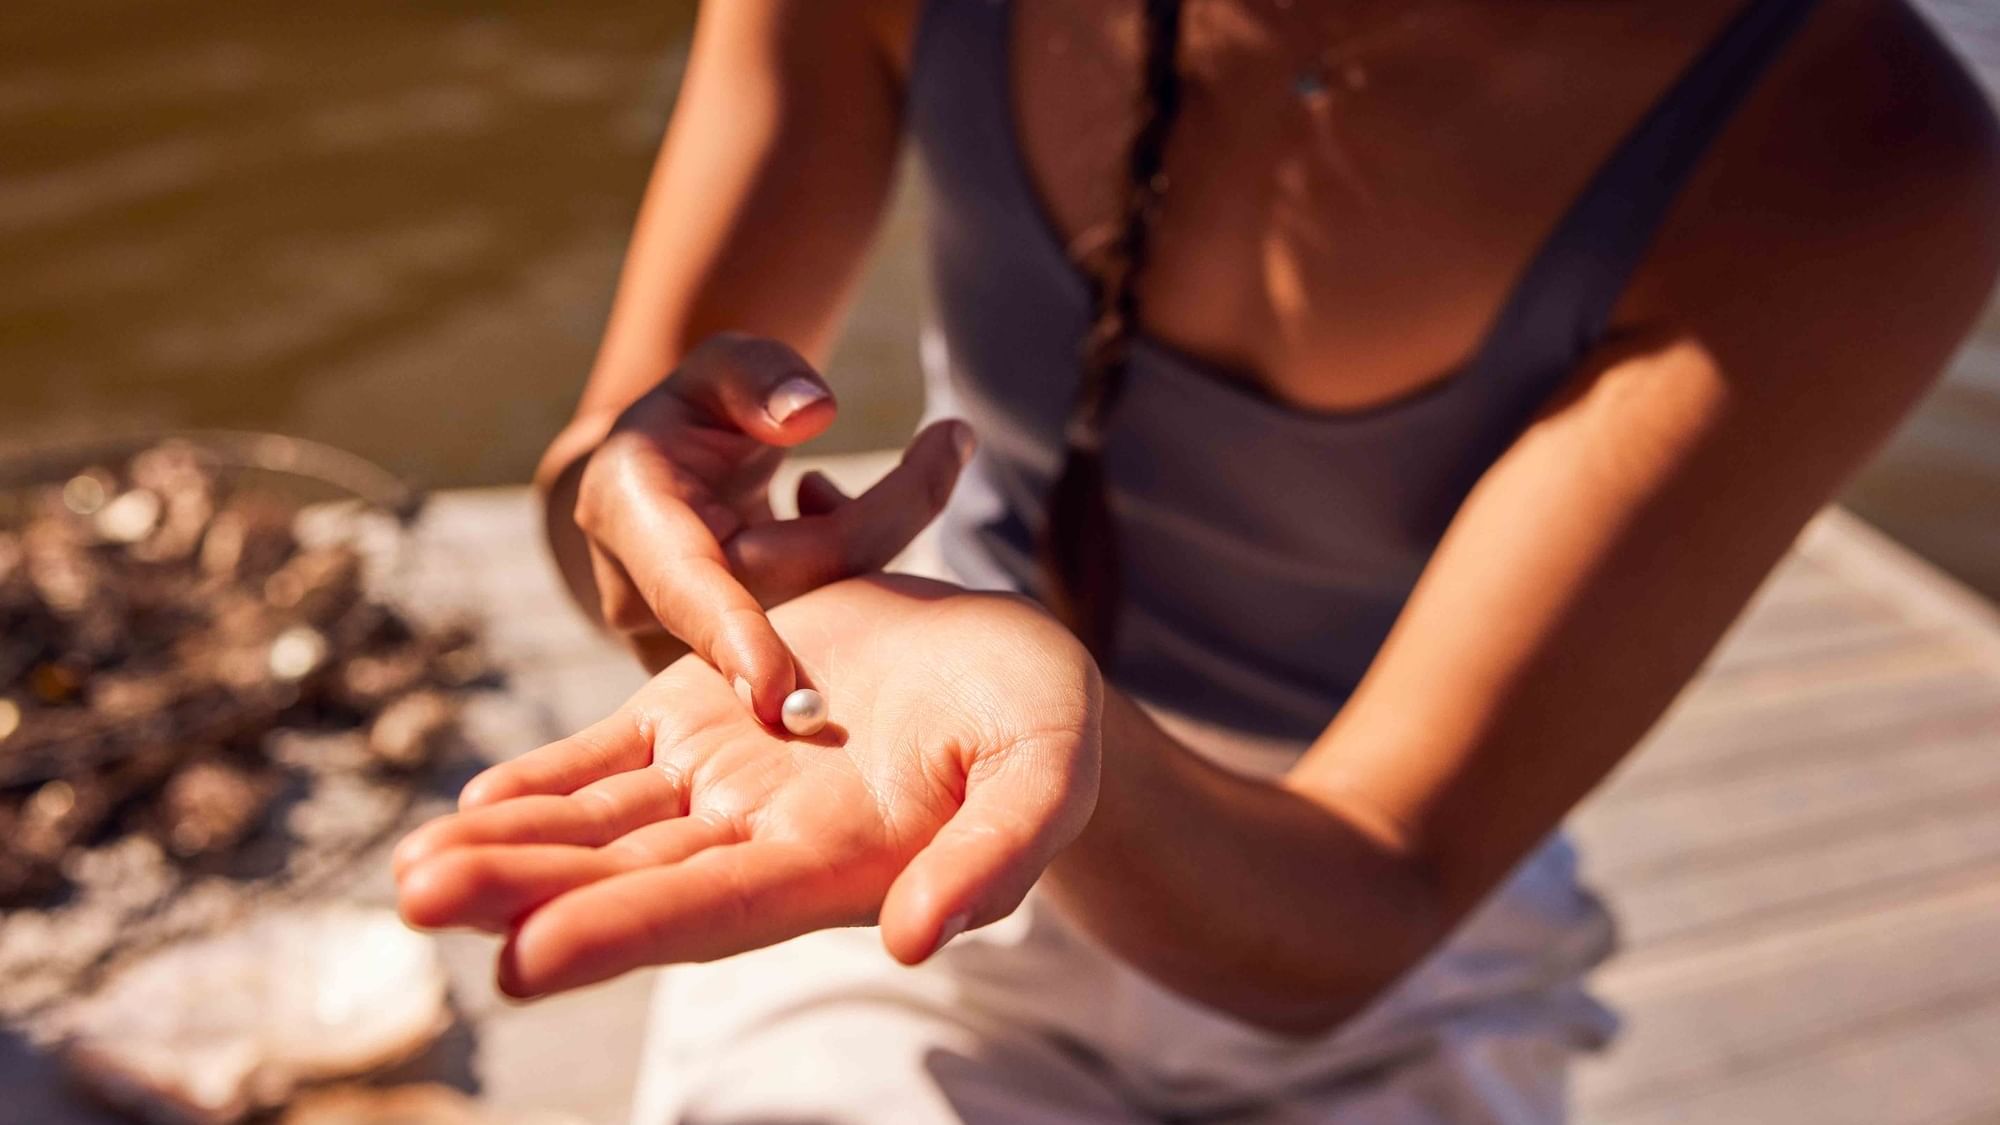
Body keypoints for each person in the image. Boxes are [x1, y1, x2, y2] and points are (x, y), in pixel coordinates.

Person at [393, 0, 2000, 1120]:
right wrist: (646, 517)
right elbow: (611, 467)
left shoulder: (1859, 150)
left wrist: (1075, 745)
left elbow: (1382, 879)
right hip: (886, 788)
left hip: (1359, 948)